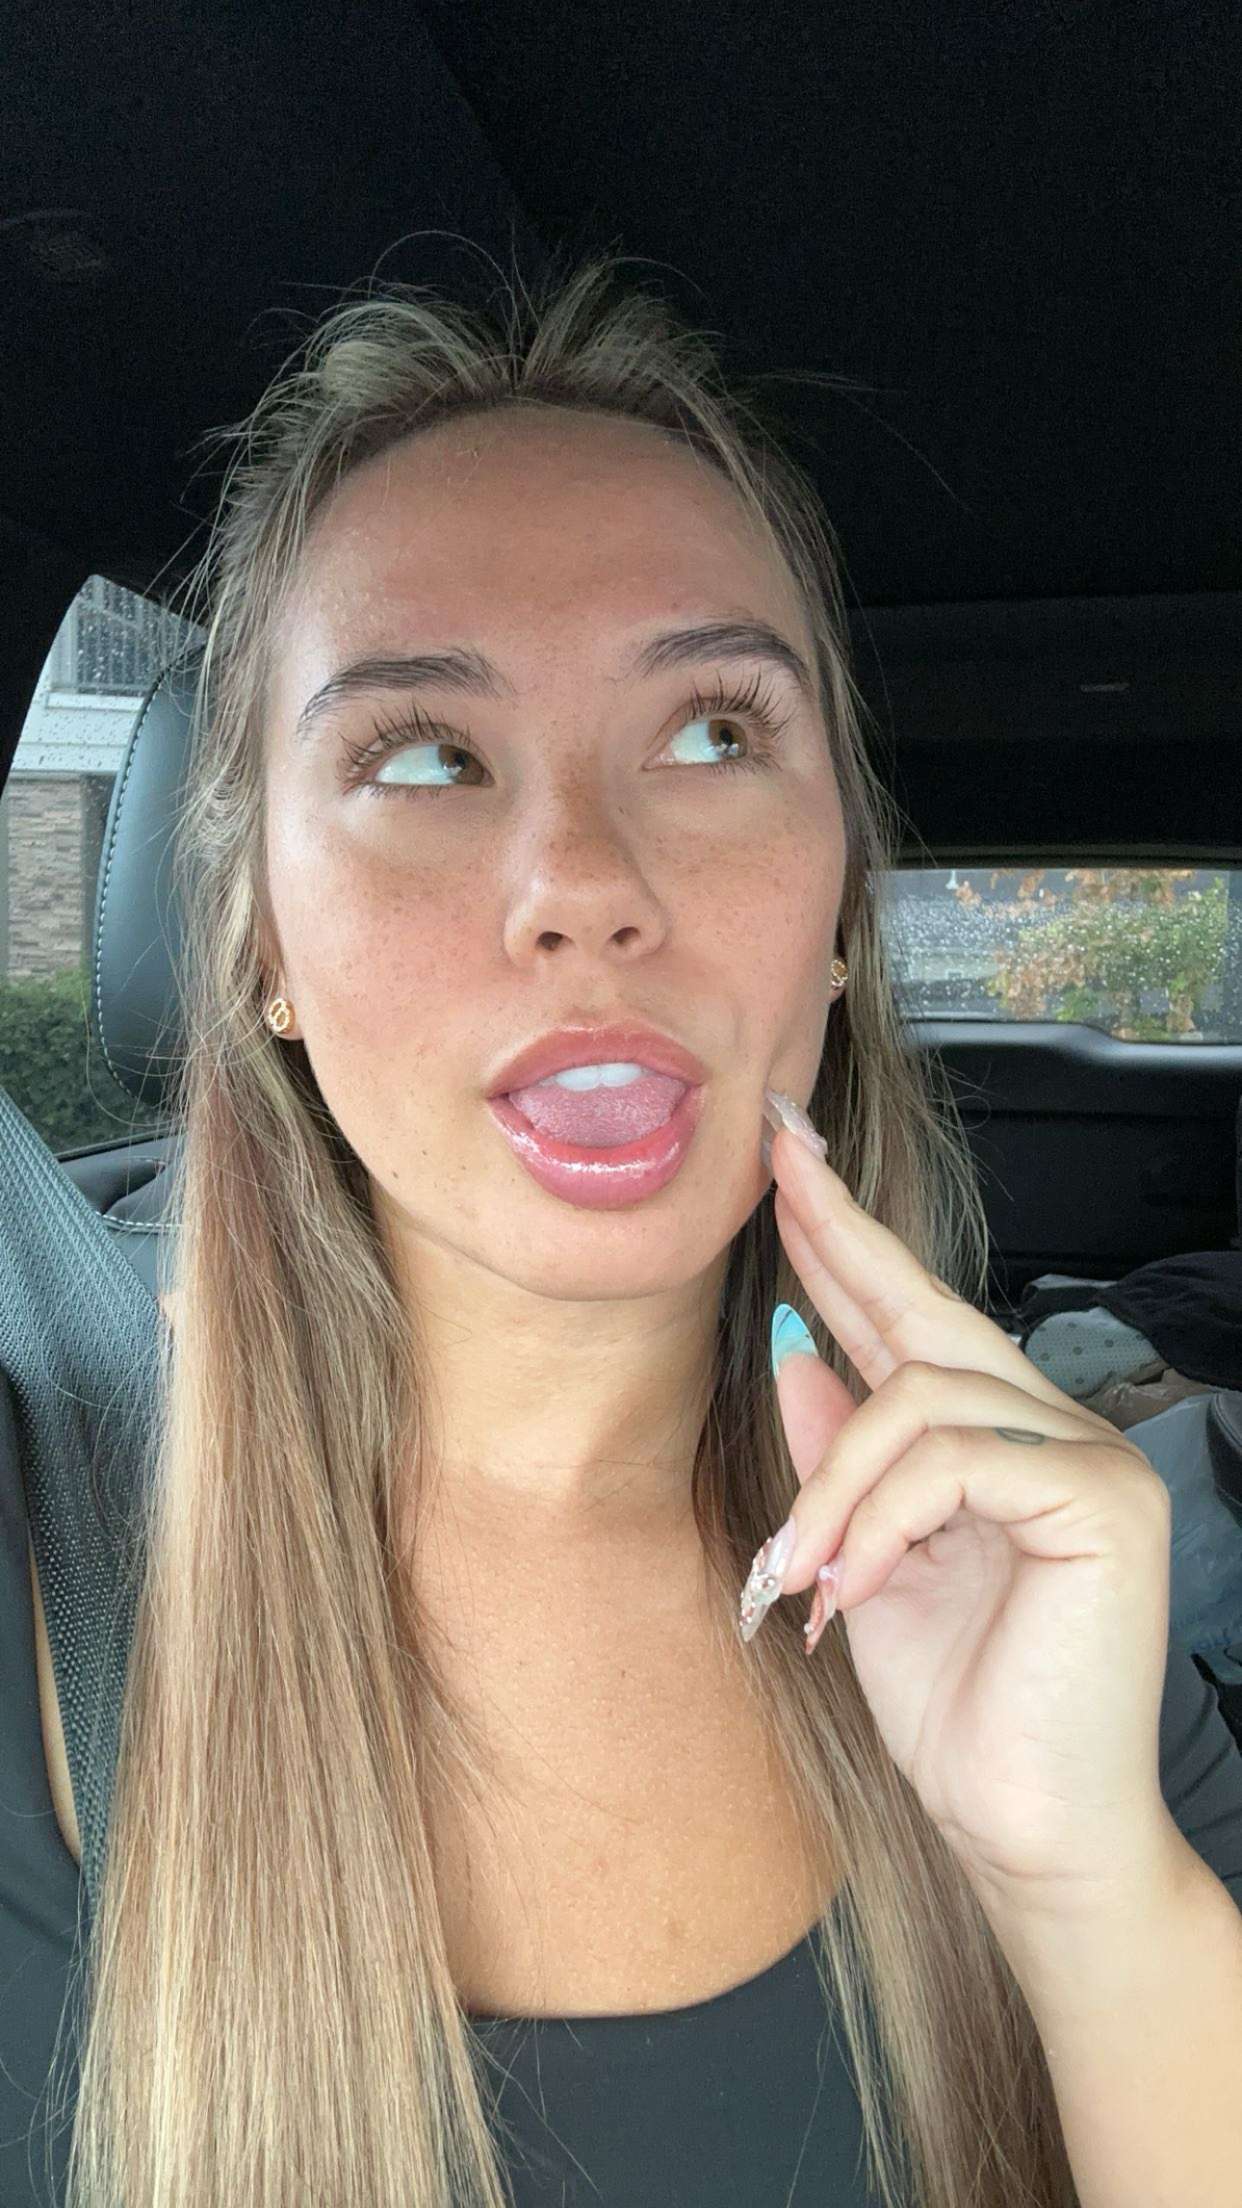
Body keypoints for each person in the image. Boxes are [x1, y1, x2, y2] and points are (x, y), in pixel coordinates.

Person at [17, 249, 1240, 2208]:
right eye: (424, 757)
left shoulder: (1042, 1591)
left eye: (711, 735)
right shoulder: (38, 1526)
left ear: (835, 920)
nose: (581, 883)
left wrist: (1087, 1879)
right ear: (261, 953)